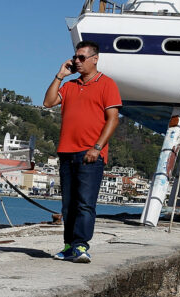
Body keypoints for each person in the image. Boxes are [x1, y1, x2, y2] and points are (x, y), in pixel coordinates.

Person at [42, 40, 121, 263]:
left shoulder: (107, 84)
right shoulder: (69, 86)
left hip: (90, 154)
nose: (77, 61)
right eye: (75, 57)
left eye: (82, 58)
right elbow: (48, 102)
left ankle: (81, 246)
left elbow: (113, 120)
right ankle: (69, 246)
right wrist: (60, 76)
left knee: (85, 203)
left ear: (95, 59)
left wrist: (97, 148)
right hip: (66, 153)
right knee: (68, 204)